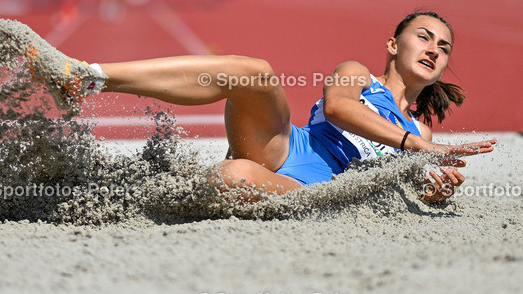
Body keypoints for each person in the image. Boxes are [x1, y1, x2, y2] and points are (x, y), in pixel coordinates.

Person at [41, 11, 496, 203]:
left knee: (230, 178)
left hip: (313, 186)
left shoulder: (422, 133)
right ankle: (90, 76)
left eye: (444, 46)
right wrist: (411, 144)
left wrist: (434, 192)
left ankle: (167, 193)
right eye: (424, 37)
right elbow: (337, 110)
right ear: (394, 45)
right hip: (283, 143)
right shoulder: (358, 74)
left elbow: (398, 189)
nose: (434, 48)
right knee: (254, 71)